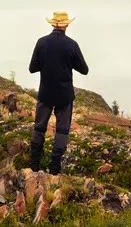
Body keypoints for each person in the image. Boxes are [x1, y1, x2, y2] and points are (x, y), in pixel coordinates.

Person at [28, 11, 88, 174]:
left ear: (53, 24)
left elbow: (32, 68)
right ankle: (54, 168)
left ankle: (34, 165)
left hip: (45, 93)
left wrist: (47, 65)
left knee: (39, 127)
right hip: (64, 95)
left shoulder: (41, 42)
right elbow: (84, 70)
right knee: (62, 130)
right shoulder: (72, 45)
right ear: (66, 25)